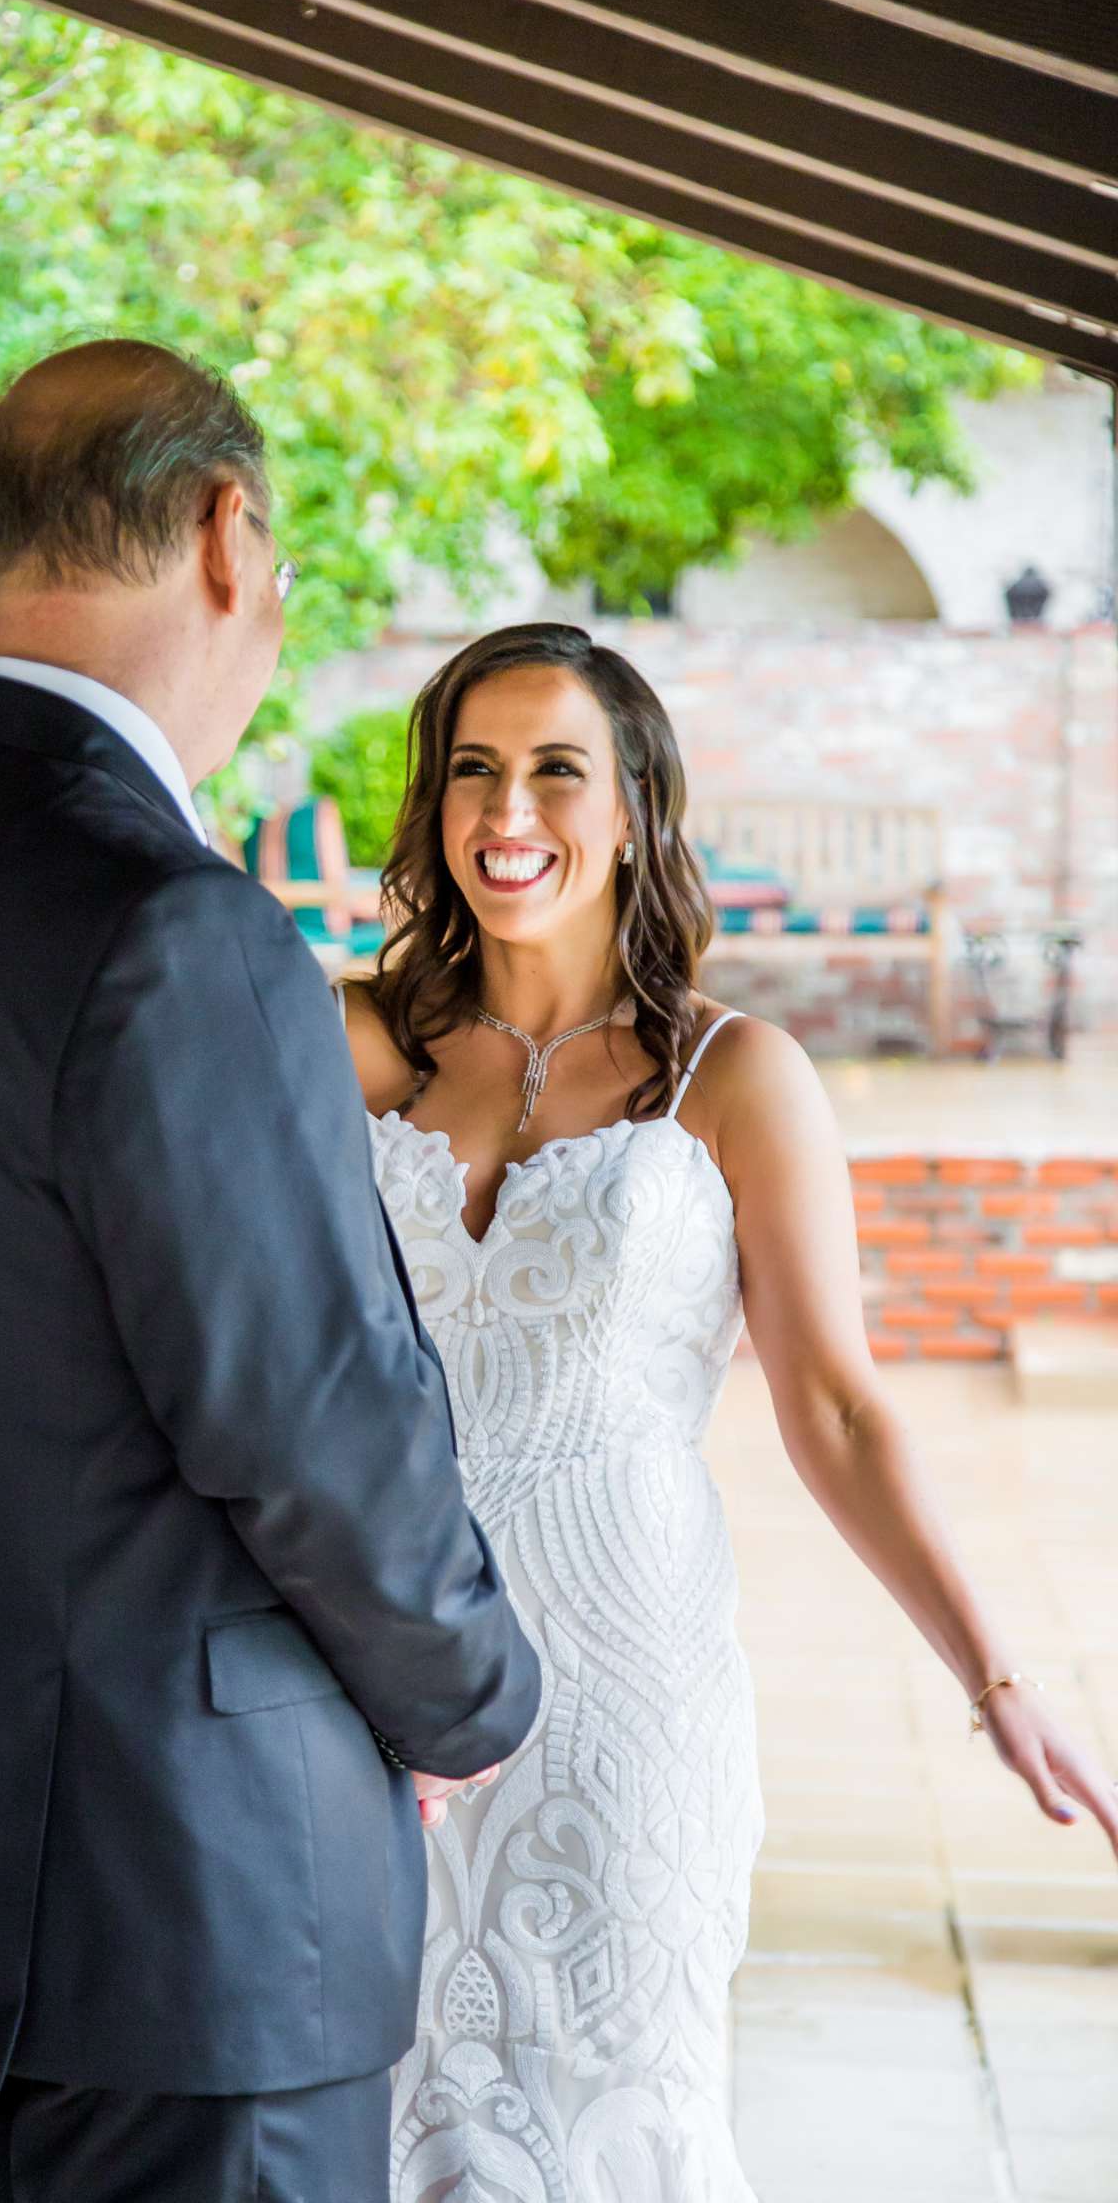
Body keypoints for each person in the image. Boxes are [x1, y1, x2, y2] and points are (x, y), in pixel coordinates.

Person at [0, 339, 541, 2203]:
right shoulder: (178, 927)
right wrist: (467, 1695)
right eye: (275, 569)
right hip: (198, 1909)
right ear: (220, 534)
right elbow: (306, 1414)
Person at [335, 620, 1118, 2202]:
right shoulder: (354, 1050)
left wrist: (998, 1675)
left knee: (620, 2125)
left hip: (625, 1692)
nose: (510, 815)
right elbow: (176, 1311)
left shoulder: (732, 1074)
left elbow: (835, 1411)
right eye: (473, 771)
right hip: (382, 1681)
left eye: (559, 772)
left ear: (633, 807)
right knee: (374, 2118)